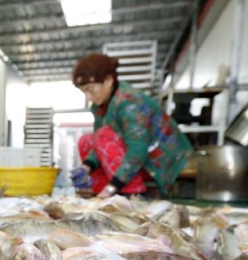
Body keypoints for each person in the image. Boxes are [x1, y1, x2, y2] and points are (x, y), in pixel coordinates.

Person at [69, 53, 193, 199]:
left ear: (108, 81)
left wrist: (112, 187)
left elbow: (137, 151)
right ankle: (99, 193)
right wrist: (85, 167)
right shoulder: (99, 107)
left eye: (91, 89)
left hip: (161, 164)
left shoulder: (130, 103)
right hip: (137, 163)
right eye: (84, 92)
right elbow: (97, 145)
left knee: (103, 136)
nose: (88, 97)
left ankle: (130, 193)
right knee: (87, 140)